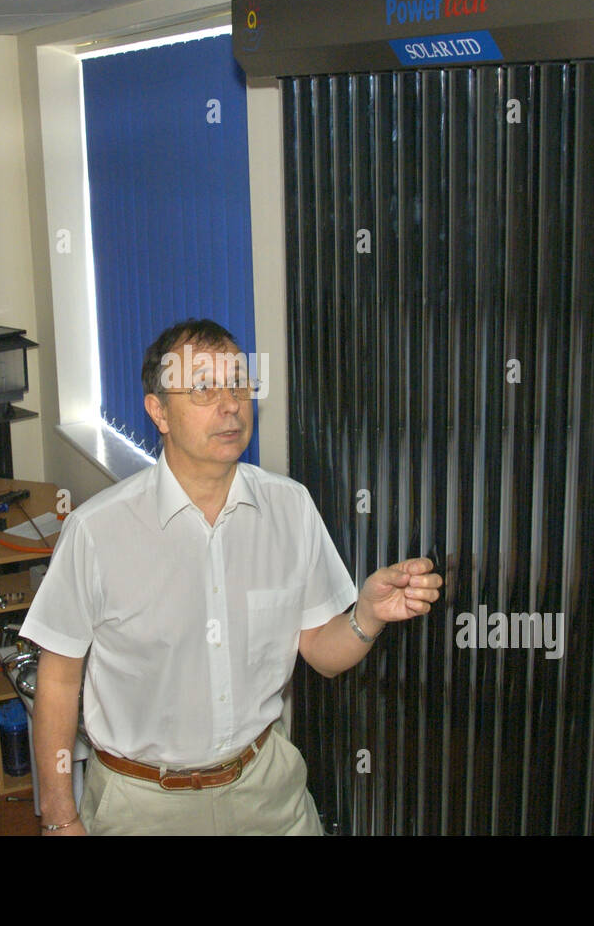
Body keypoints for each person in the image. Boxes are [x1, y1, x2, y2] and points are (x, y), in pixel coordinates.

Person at [23, 319, 440, 835]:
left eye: (240, 384)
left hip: (266, 789)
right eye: (202, 388)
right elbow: (58, 680)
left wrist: (368, 615)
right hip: (141, 806)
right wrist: (60, 817)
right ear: (159, 412)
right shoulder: (97, 530)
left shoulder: (289, 507)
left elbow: (321, 653)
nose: (230, 404)